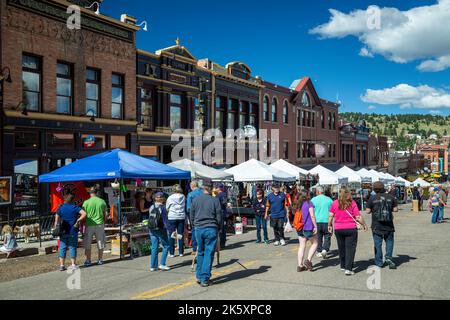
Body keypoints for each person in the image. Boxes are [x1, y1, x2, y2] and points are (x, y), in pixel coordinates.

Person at [329, 187, 368, 276]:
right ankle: (348, 268)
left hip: (338, 228)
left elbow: (330, 215)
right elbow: (358, 217)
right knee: (350, 248)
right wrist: (364, 225)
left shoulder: (335, 203)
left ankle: (343, 265)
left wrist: (329, 225)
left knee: (341, 247)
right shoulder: (352, 203)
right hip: (350, 228)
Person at [190, 184, 222, 287]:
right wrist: (219, 227)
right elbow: (219, 216)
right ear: (211, 189)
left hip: (199, 228)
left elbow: (191, 215)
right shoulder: (215, 200)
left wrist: (194, 225)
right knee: (208, 253)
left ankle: (199, 276)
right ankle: (204, 278)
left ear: (202, 189)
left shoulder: (195, 199)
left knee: (201, 252)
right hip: (211, 228)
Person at [366, 181, 398, 269]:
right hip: (389, 224)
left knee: (378, 244)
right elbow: (395, 209)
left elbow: (367, 211)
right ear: (383, 188)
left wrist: (374, 209)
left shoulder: (372, 198)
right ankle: (388, 258)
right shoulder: (391, 197)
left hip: (376, 224)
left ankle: (379, 262)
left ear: (374, 189)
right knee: (389, 241)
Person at [55, 193, 87, 271]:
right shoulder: (75, 207)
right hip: (73, 230)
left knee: (62, 247)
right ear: (73, 200)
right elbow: (84, 214)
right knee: (72, 247)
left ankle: (62, 265)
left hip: (63, 230)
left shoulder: (61, 208)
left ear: (65, 199)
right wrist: (78, 220)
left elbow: (56, 219)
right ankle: (73, 264)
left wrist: (56, 226)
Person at [82, 186, 108, 267]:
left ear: (90, 193)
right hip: (100, 224)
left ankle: (88, 260)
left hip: (89, 224)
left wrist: (83, 223)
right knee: (100, 242)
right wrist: (104, 221)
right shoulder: (102, 201)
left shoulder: (86, 202)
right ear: (97, 193)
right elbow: (106, 215)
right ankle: (100, 259)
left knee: (88, 243)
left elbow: (83, 215)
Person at [296, 191, 318, 272]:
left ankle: (300, 265)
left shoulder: (298, 204)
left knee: (302, 246)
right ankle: (308, 260)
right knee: (315, 243)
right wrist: (315, 226)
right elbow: (312, 216)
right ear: (307, 195)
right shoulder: (309, 203)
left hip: (299, 227)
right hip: (308, 227)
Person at [148, 192, 171, 271]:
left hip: (152, 228)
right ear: (163, 199)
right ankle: (162, 264)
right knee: (166, 245)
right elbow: (165, 221)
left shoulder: (151, 207)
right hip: (161, 229)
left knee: (154, 247)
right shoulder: (163, 208)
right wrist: (170, 230)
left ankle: (153, 266)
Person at [311, 186, 333, 259]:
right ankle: (325, 249)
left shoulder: (313, 200)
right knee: (327, 236)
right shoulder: (329, 199)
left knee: (318, 237)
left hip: (317, 221)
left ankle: (319, 251)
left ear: (317, 192)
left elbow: (310, 211)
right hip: (327, 221)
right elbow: (333, 211)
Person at [166, 184, 186, 257]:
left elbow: (167, 207)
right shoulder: (183, 196)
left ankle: (172, 253)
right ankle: (181, 252)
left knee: (172, 234)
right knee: (180, 234)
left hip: (172, 217)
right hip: (181, 217)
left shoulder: (170, 197)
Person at [186, 181, 203, 255]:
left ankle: (195, 249)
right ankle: (202, 247)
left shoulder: (190, 194)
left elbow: (188, 208)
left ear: (191, 186)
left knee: (194, 231)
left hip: (194, 215)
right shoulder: (203, 192)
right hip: (204, 214)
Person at [214, 184, 228, 248]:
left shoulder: (218, 196)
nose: (214, 189)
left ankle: (220, 243)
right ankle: (223, 242)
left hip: (220, 213)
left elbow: (217, 205)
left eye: (215, 188)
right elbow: (225, 203)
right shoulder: (224, 194)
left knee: (220, 228)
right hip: (223, 212)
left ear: (218, 188)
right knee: (223, 228)